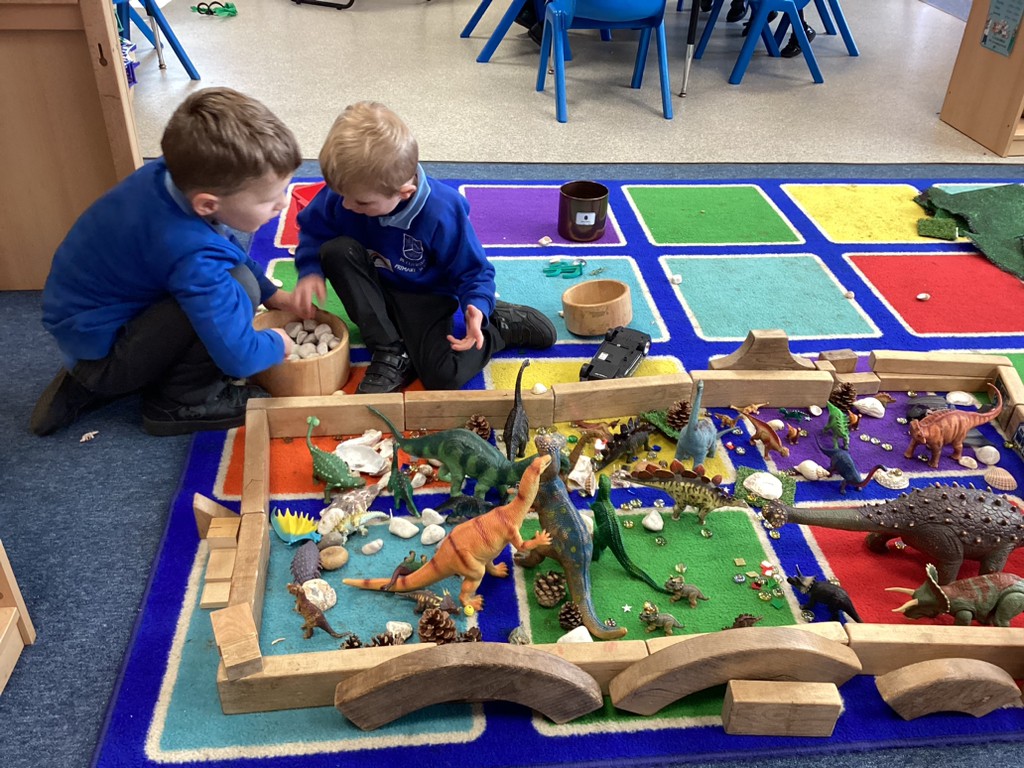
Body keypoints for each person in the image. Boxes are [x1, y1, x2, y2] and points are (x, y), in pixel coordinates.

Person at [31, 87, 303, 437]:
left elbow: (220, 240)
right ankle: (179, 402)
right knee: (238, 290)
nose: (283, 204)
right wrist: (277, 343)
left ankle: (89, 379)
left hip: (84, 331)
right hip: (105, 356)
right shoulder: (189, 251)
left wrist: (272, 294)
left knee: (241, 281)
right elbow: (239, 358)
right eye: (269, 200)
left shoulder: (170, 174)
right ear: (207, 204)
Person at [293, 101, 556, 394]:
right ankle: (391, 351)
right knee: (335, 250)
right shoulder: (351, 190)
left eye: (361, 202)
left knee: (443, 376)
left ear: (405, 192)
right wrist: (310, 269)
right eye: (340, 194)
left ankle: (499, 328)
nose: (345, 205)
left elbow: (474, 271)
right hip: (374, 283)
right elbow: (314, 228)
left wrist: (478, 304)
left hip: (423, 296)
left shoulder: (442, 212)